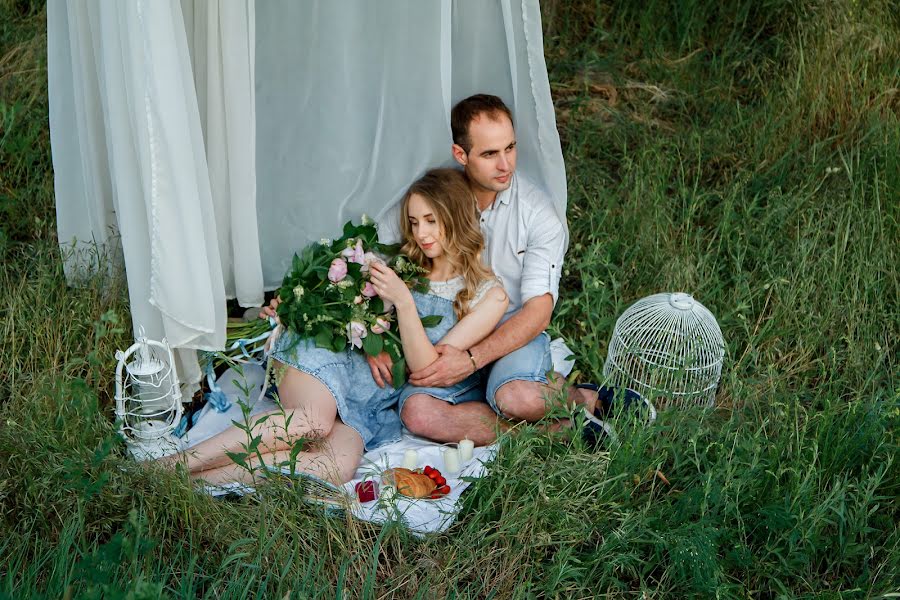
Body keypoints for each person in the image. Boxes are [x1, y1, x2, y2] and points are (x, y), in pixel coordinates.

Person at [160, 168, 508, 485]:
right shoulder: (402, 267)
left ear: (457, 217)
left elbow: (426, 369)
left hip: (366, 399)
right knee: (312, 421)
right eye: (414, 222)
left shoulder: (487, 296)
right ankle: (172, 465)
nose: (421, 234)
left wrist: (402, 303)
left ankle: (191, 483)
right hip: (328, 357)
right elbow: (346, 306)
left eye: (431, 220)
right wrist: (376, 322)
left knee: (336, 465)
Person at [369, 94, 598, 445]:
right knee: (417, 413)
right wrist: (374, 337)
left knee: (515, 398)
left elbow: (539, 311)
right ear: (461, 155)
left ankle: (587, 399)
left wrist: (473, 359)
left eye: (510, 148)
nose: (505, 164)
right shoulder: (433, 198)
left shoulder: (538, 214)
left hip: (508, 335)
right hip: (443, 338)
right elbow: (370, 258)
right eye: (490, 154)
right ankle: (548, 435)